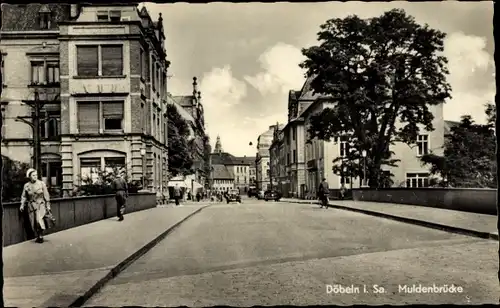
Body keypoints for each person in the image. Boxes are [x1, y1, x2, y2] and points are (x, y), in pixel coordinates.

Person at [20, 168, 51, 243]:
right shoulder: (26, 185)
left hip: (40, 205)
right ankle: (38, 235)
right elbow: (24, 196)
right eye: (33, 175)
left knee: (38, 220)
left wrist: (48, 205)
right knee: (33, 221)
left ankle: (40, 235)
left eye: (36, 175)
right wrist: (22, 204)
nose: (35, 176)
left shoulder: (41, 183)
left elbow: (46, 195)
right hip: (31, 206)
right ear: (29, 176)